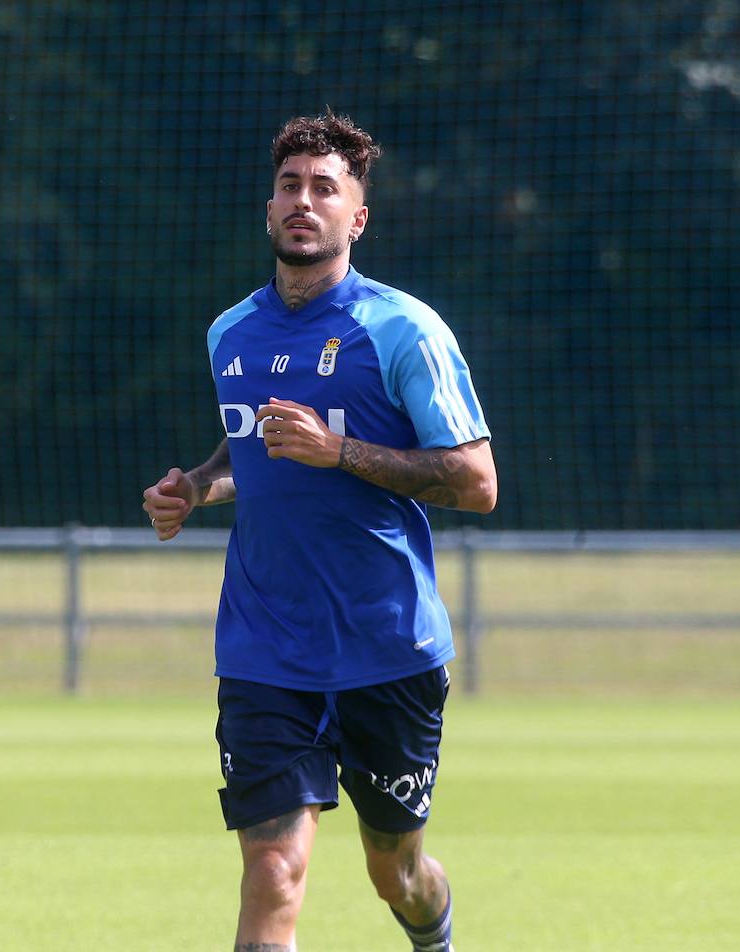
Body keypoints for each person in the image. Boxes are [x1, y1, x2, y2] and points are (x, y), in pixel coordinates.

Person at [142, 111, 496, 952]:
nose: (305, 201)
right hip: (267, 647)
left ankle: (434, 935)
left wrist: (339, 450)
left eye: (325, 188)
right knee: (273, 873)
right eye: (291, 186)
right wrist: (194, 487)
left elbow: (477, 481)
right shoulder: (231, 332)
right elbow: (255, 449)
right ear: (268, 209)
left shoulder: (404, 329)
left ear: (356, 217)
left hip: (387, 649)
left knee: (396, 872)